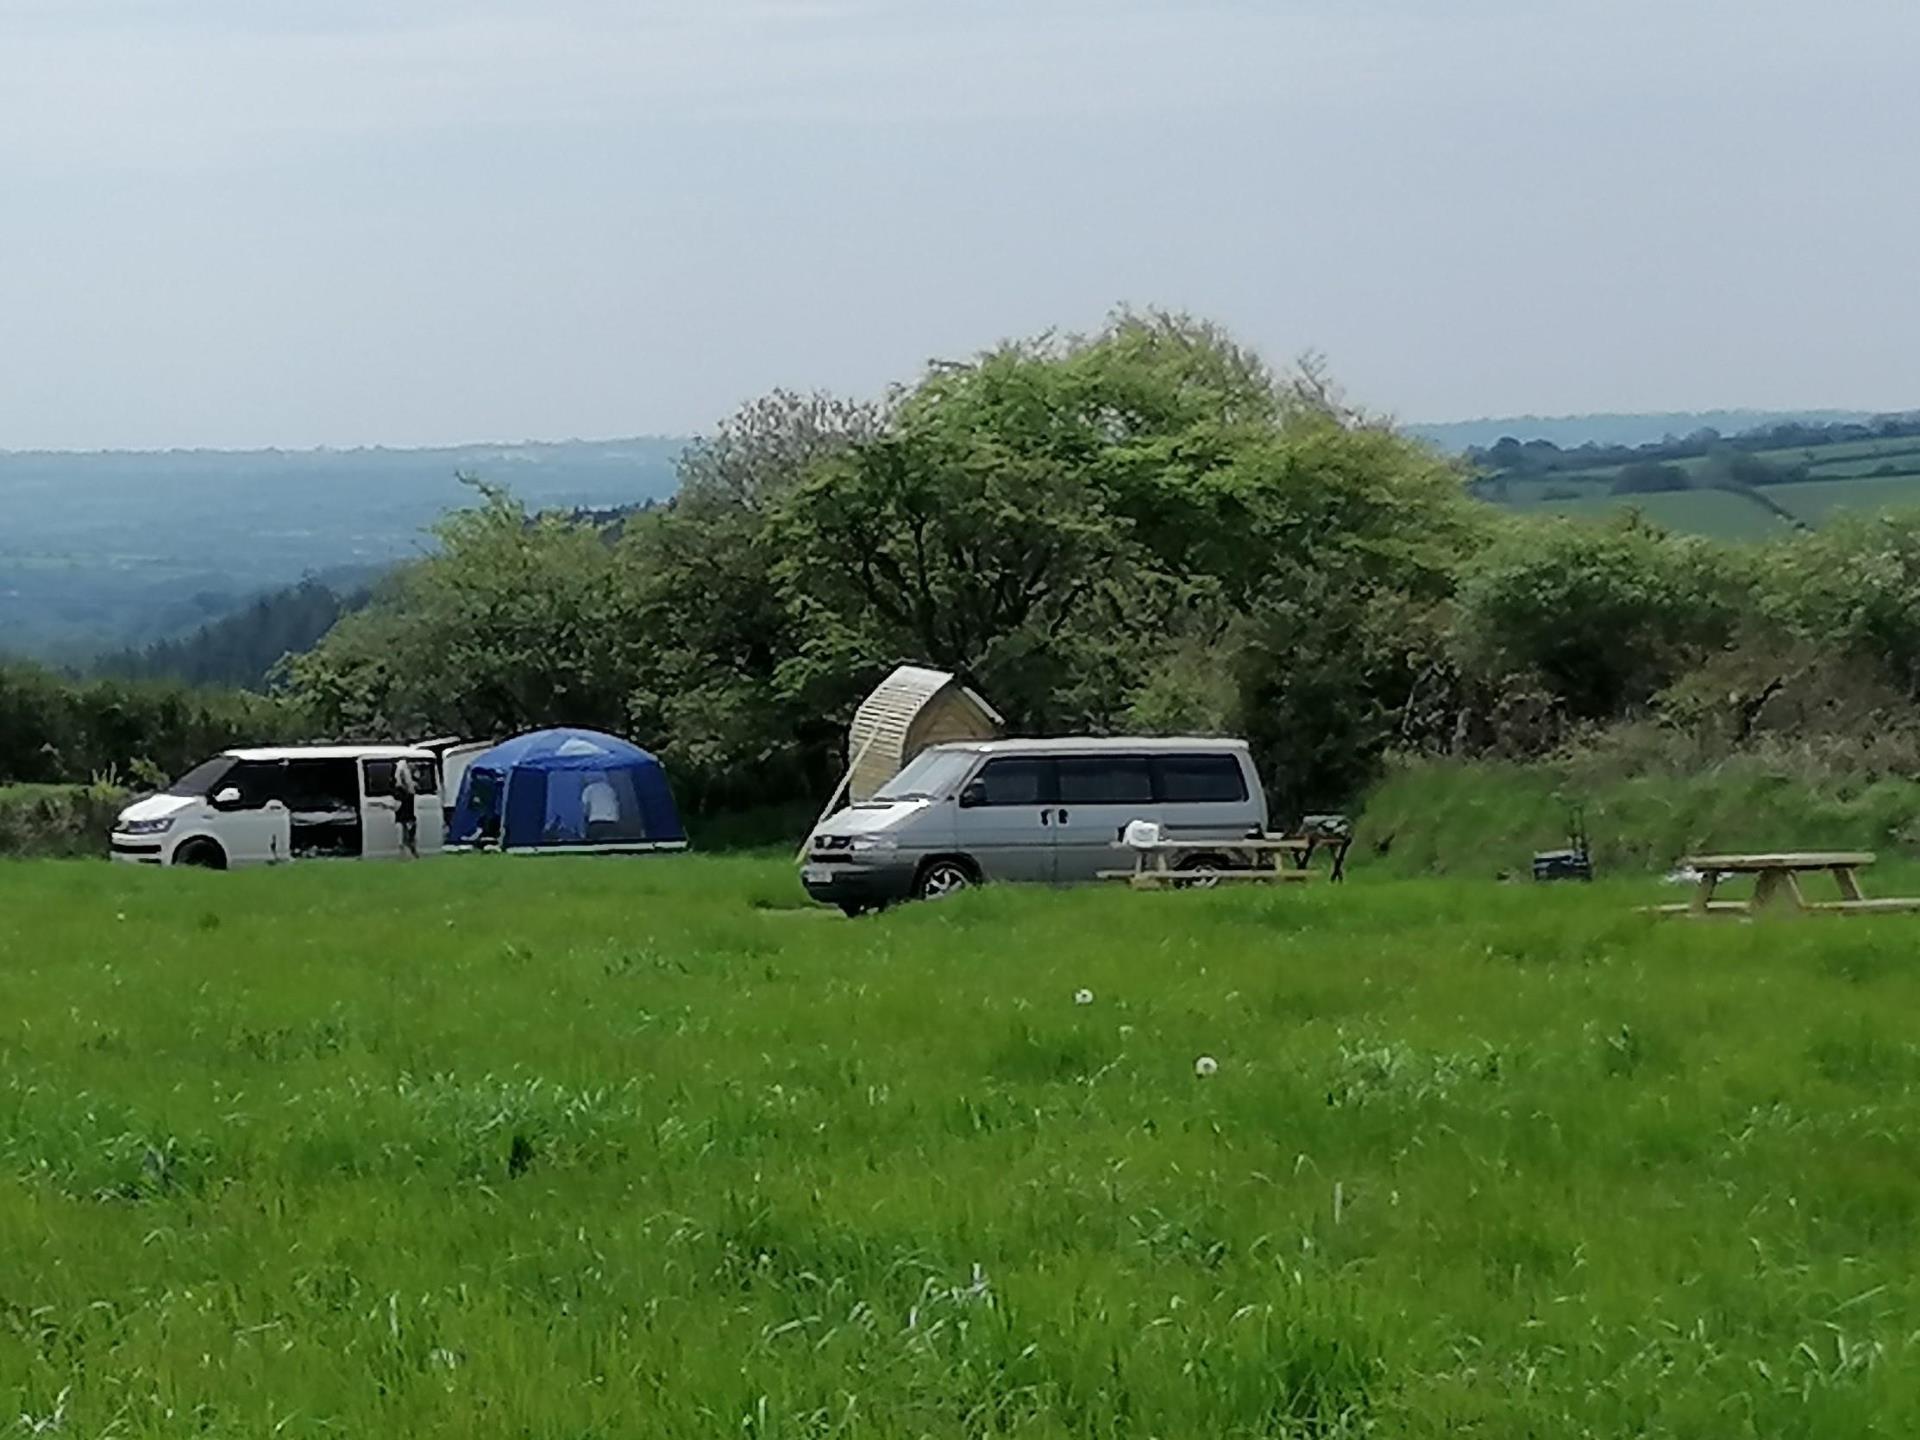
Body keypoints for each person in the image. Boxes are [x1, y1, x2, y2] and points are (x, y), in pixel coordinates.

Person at [581, 773, 620, 844]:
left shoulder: (589, 789)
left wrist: (585, 821)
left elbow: (587, 808)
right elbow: (616, 804)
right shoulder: (610, 789)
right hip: (611, 821)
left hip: (595, 821)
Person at [393, 759, 419, 857]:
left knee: (404, 822)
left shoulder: (400, 768)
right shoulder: (402, 769)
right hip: (405, 799)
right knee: (407, 822)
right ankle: (407, 845)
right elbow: (404, 784)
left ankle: (406, 846)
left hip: (404, 799)